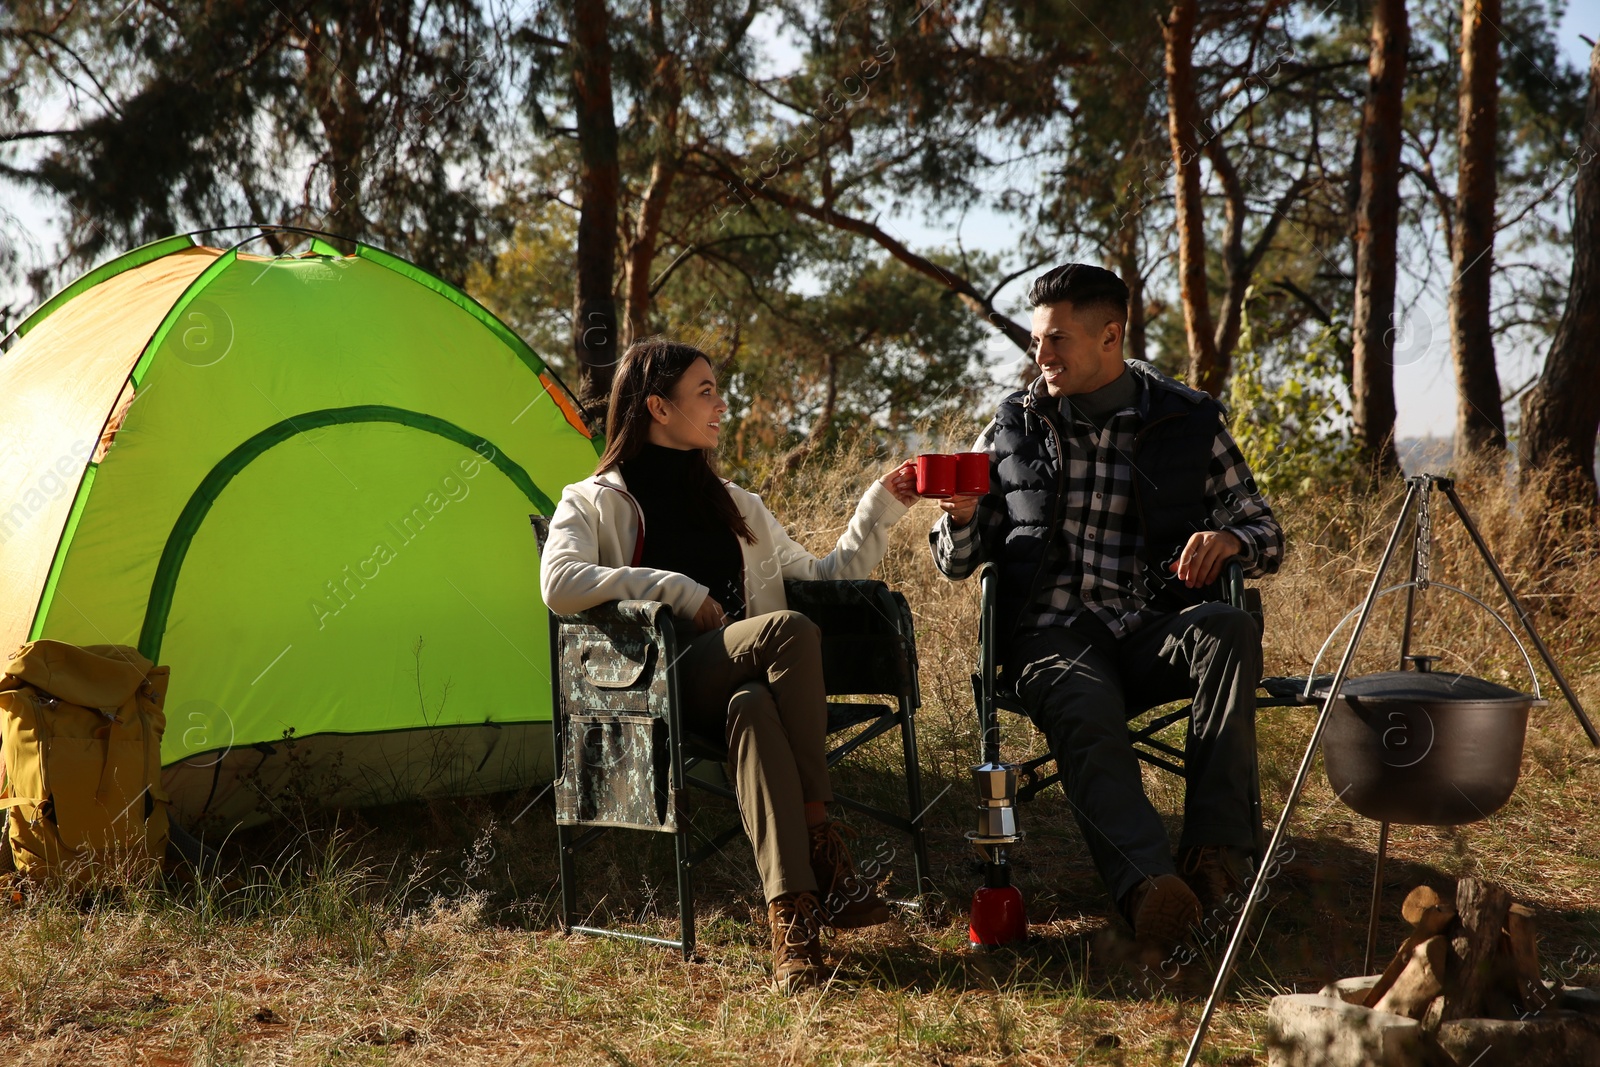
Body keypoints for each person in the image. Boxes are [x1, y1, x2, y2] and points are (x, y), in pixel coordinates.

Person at [928, 263, 1284, 964]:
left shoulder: (1188, 418)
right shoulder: (1010, 425)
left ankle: (1214, 862)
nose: (1042, 356)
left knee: (1232, 628)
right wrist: (962, 518)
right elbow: (957, 560)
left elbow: (1266, 533)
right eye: (1036, 341)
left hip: (1155, 628)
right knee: (1084, 706)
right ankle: (1151, 891)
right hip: (1053, 637)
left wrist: (1229, 538)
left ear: (1111, 335)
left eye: (1057, 339)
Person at [540, 337, 920, 992]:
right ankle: (822, 835)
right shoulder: (594, 499)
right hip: (659, 684)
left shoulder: (737, 503)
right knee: (788, 632)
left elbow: (826, 575)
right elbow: (561, 583)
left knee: (752, 704)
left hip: (743, 687)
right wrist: (675, 589)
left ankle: (793, 922)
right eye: (706, 391)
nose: (722, 404)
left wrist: (879, 504)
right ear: (658, 406)